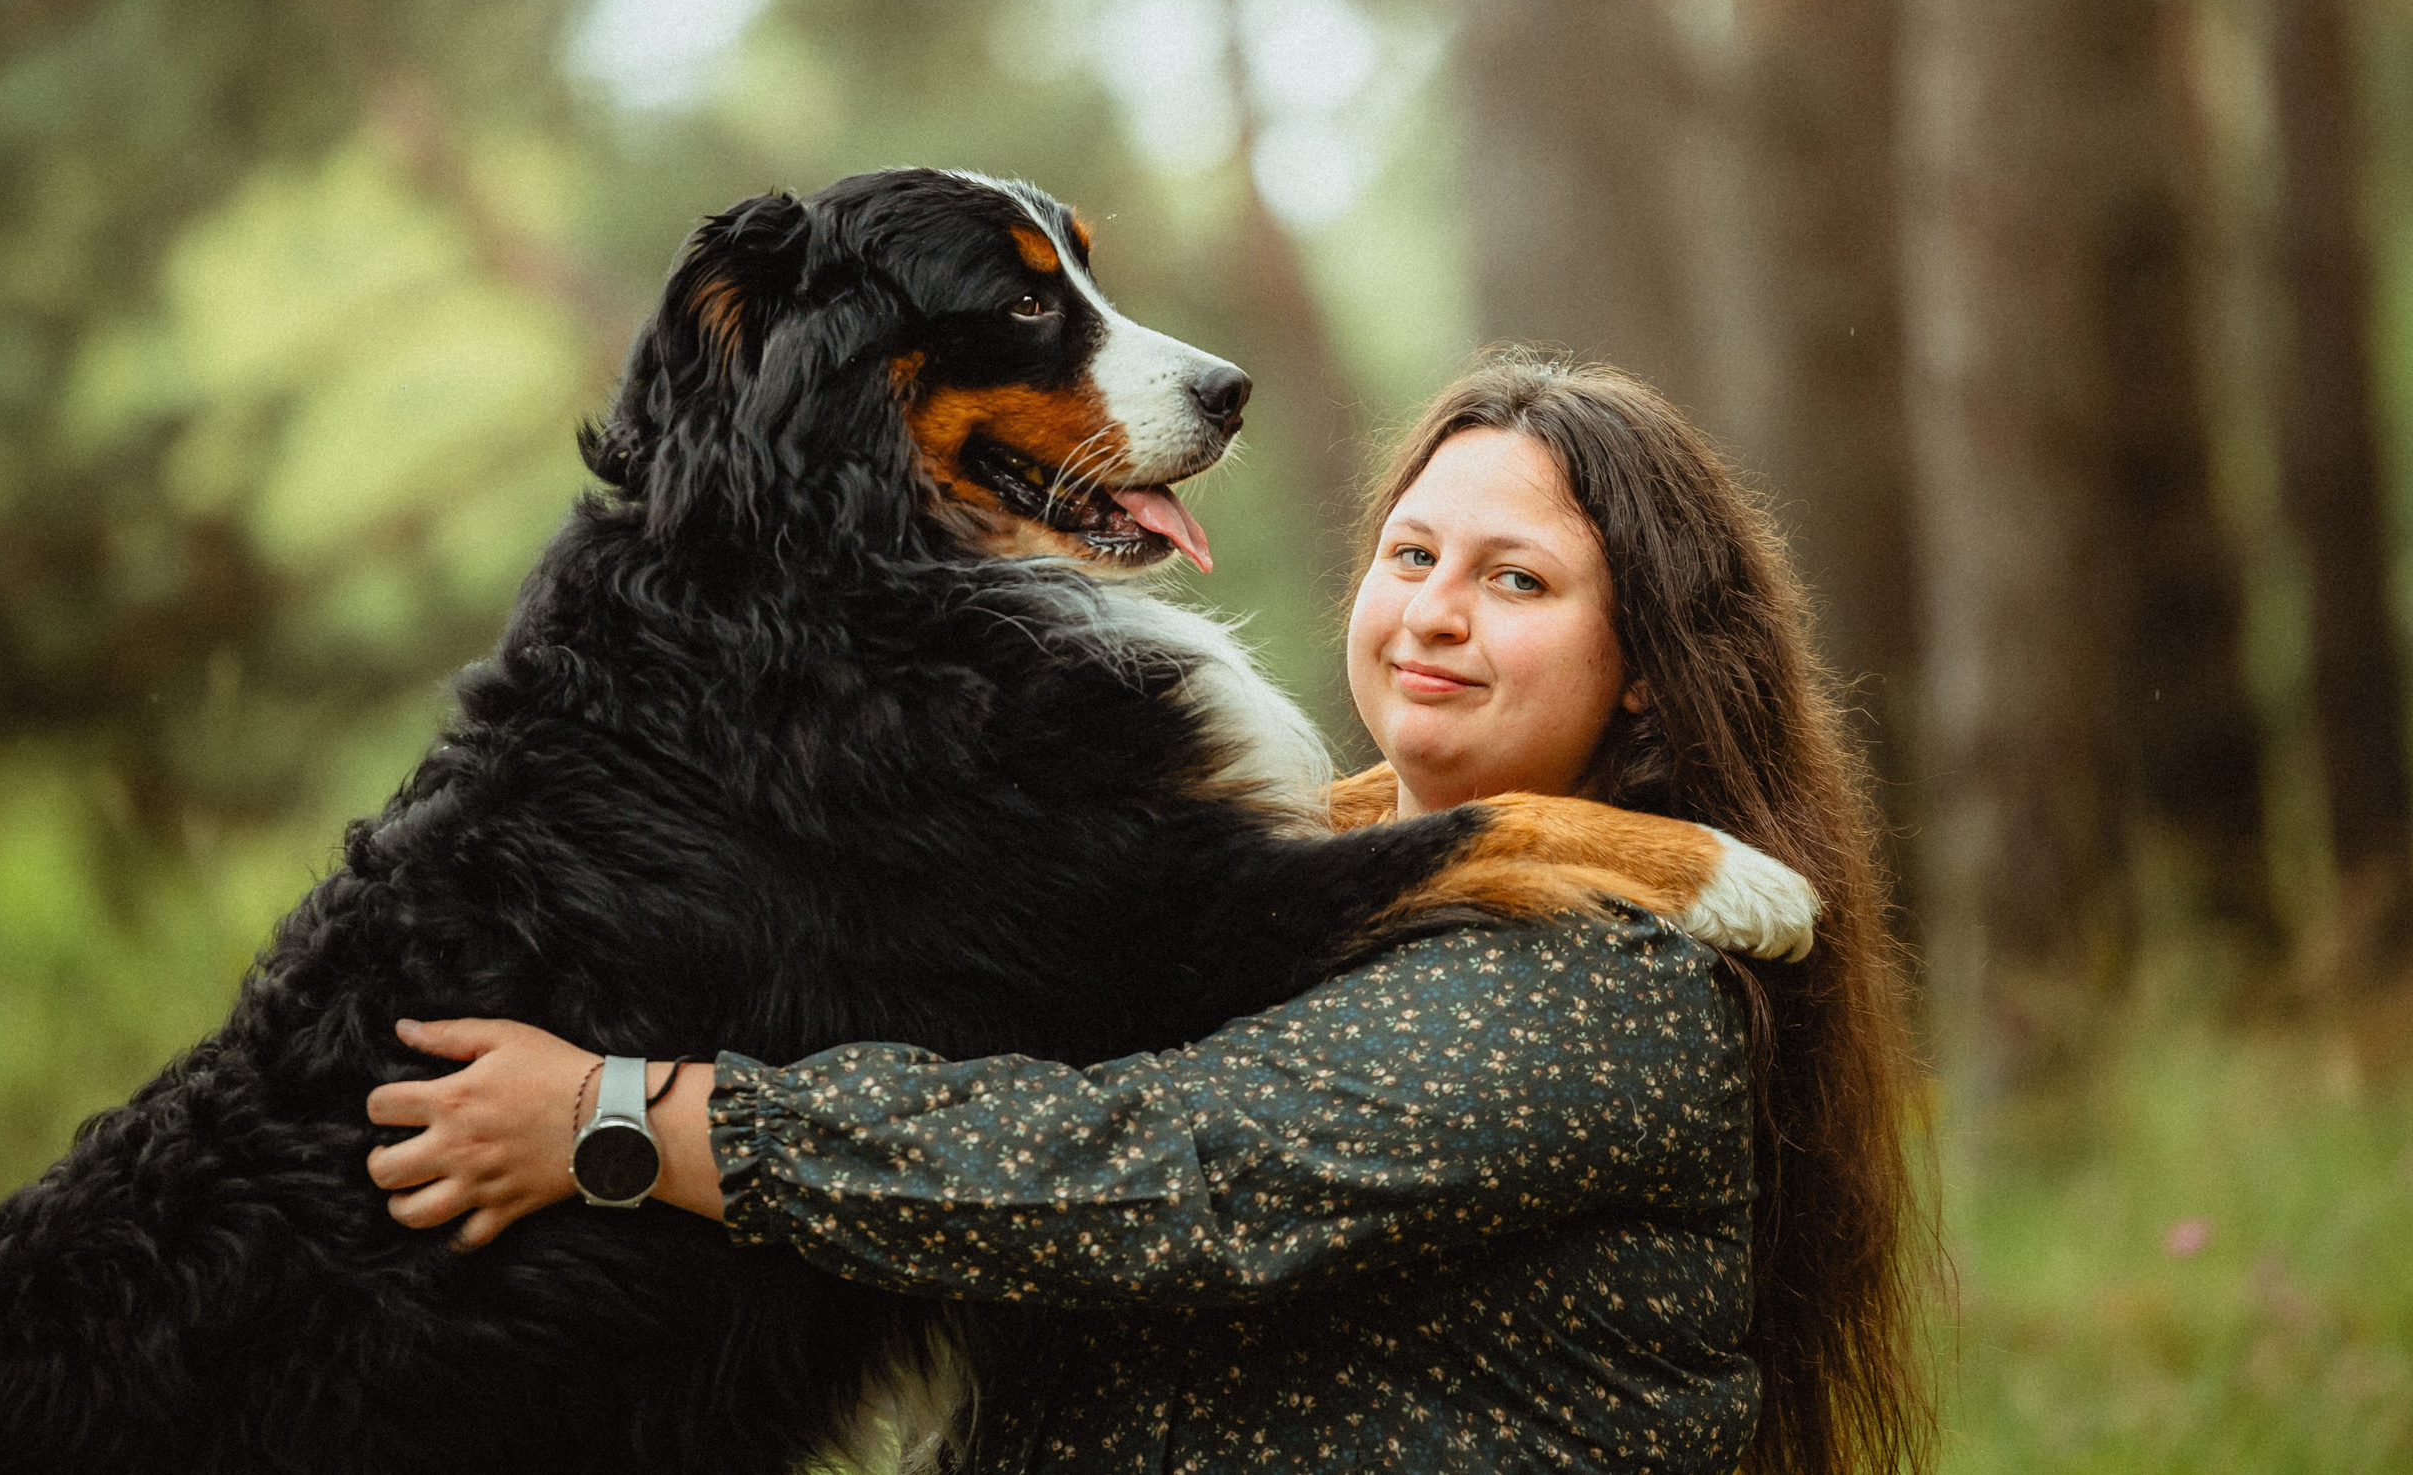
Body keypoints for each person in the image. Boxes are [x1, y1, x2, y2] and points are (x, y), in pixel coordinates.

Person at [367, 358, 1933, 1474]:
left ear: (1648, 659)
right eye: (1411, 553)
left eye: (1517, 581)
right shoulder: (1315, 867)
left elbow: (1170, 1178)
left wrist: (623, 1118)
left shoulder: (1611, 978)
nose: (1436, 611)